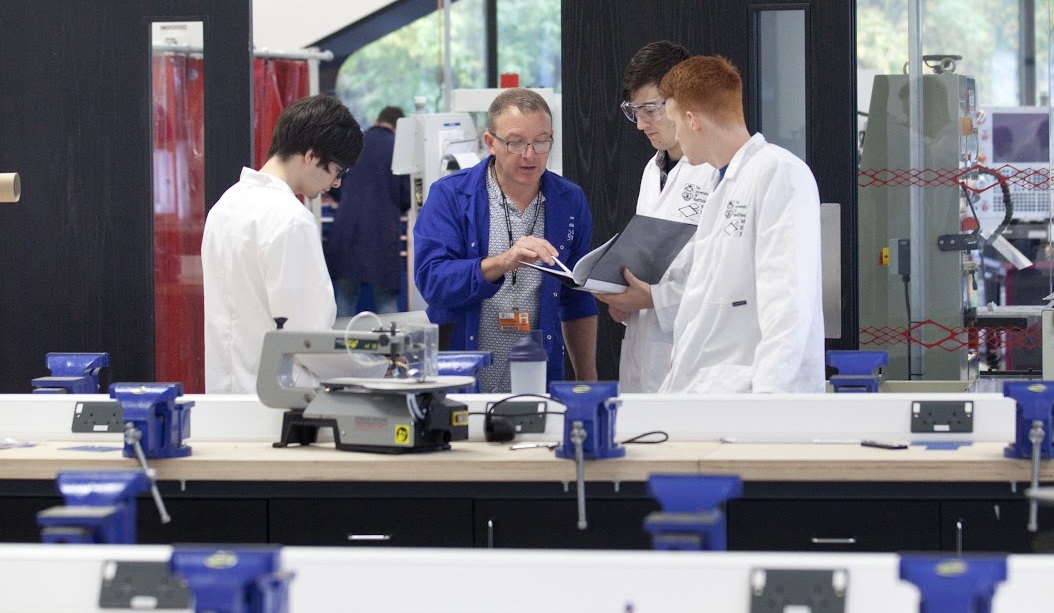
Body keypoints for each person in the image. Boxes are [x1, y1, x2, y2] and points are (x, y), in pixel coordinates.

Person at [656, 55, 825, 393]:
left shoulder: (778, 172)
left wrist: (768, 401)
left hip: (756, 399)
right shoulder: (719, 181)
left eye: (673, 122)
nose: (674, 136)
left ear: (692, 120)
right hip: (709, 394)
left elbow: (787, 301)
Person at [413, 88, 599, 393]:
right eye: (515, 142)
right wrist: (503, 262)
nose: (530, 154)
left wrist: (587, 380)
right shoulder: (451, 196)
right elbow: (433, 281)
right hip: (462, 377)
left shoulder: (569, 200)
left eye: (541, 142)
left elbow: (577, 297)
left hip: (539, 378)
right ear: (491, 143)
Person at [202, 94, 365, 393]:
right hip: (281, 399)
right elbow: (308, 340)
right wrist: (376, 365)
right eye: (337, 171)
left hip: (225, 397)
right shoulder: (291, 219)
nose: (336, 183)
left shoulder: (224, 206)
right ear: (312, 156)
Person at [594, 40, 719, 393]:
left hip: (697, 361)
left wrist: (654, 299)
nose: (640, 124)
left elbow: (725, 281)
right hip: (645, 351)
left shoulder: (717, 173)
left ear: (683, 101)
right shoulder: (654, 169)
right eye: (634, 111)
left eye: (650, 109)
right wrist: (623, 296)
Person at [326, 106, 411, 316]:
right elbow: (406, 196)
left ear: (377, 119)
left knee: (345, 297)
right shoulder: (397, 149)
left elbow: (334, 184)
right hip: (382, 236)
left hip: (348, 232)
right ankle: (391, 349)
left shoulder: (353, 144)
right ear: (398, 127)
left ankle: (340, 348)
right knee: (385, 301)